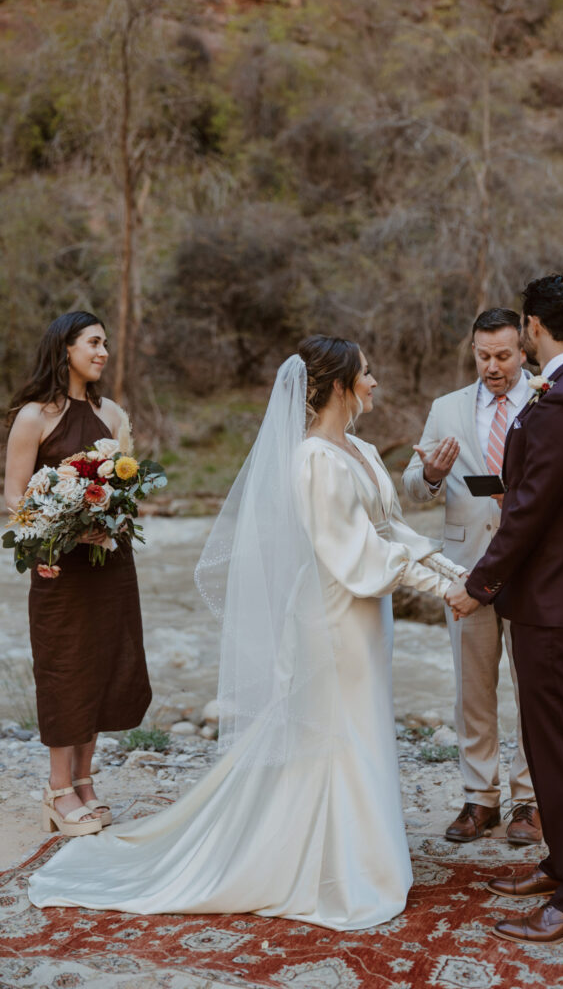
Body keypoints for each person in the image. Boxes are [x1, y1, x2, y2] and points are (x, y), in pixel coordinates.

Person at [27, 336, 466, 930]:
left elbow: (390, 533)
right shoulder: (313, 459)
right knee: (339, 731)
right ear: (338, 386)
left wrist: (461, 575)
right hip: (333, 620)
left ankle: (360, 852)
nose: (375, 382)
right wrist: (445, 589)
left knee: (362, 729)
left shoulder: (359, 450)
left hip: (370, 622)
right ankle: (330, 865)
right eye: (367, 374)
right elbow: (354, 555)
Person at [450, 275, 563, 945]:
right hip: (558, 592)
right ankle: (561, 865)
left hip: (555, 599)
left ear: (530, 327)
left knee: (561, 749)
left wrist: (479, 584)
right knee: (550, 745)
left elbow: (526, 514)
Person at [4, 312, 152, 838]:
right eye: (93, 342)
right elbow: (14, 496)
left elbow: (125, 488)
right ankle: (57, 790)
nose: (103, 351)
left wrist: (111, 519)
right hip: (57, 568)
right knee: (66, 667)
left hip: (109, 564)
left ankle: (86, 781)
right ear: (64, 348)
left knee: (106, 664)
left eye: (106, 343)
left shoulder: (111, 413)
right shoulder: (34, 416)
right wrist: (63, 527)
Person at [403, 308, 539, 845]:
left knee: (533, 689)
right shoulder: (446, 408)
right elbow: (412, 487)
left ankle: (529, 801)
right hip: (465, 569)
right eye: (483, 356)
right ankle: (479, 799)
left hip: (532, 567)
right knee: (472, 691)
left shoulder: (546, 398)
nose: (492, 366)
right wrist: (432, 473)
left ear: (524, 350)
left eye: (503, 355)